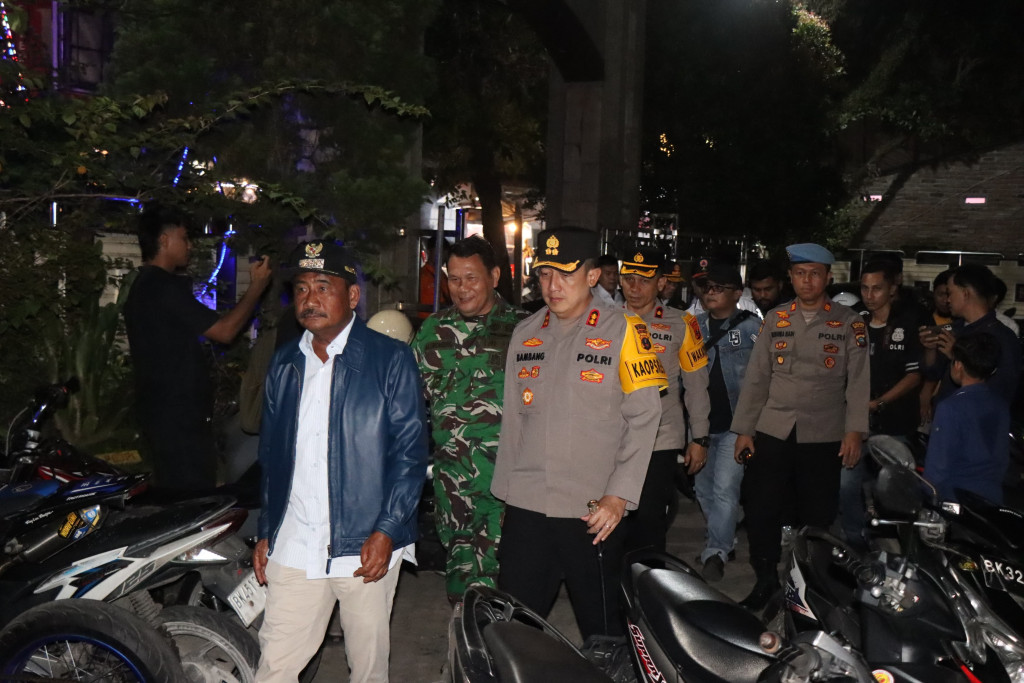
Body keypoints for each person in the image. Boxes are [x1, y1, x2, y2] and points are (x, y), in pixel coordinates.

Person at [253, 240, 428, 683]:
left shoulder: (390, 359)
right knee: (274, 667)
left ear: (352, 296)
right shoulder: (285, 364)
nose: (309, 299)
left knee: (367, 670)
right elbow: (271, 457)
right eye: (301, 288)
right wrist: (267, 529)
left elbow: (410, 453)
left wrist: (388, 529)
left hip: (364, 545)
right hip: (296, 542)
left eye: (322, 287)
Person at [492, 227, 666, 639]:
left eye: (565, 275)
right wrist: (507, 495)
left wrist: (618, 496)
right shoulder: (525, 333)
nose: (553, 286)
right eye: (545, 274)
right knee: (514, 627)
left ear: (592, 276)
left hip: (592, 509)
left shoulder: (625, 330)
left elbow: (645, 416)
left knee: (603, 630)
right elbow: (514, 421)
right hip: (529, 503)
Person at [730, 243, 870, 611]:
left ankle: (811, 584)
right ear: (790, 278)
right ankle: (765, 579)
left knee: (817, 514)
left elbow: (858, 382)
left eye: (815, 274)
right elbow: (757, 377)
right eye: (800, 274)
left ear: (828, 278)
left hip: (823, 432)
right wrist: (744, 429)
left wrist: (855, 431)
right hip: (773, 429)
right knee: (762, 508)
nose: (807, 281)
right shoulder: (775, 319)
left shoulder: (849, 322)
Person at [410, 235, 528, 603]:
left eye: (471, 278)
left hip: (506, 485)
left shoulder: (525, 330)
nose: (462, 289)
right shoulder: (432, 331)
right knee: (461, 583)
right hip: (452, 485)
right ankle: (467, 636)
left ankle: (500, 637)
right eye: (454, 279)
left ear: (495, 276)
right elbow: (409, 399)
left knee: (506, 583)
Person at [123, 204, 272, 492]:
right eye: (184, 238)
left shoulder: (144, 285)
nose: (190, 245)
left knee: (176, 491)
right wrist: (256, 287)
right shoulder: (163, 287)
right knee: (193, 496)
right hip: (177, 418)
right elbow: (225, 332)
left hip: (162, 411)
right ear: (164, 240)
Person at [618, 247, 711, 556]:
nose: (634, 288)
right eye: (628, 279)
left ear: (661, 283)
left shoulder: (683, 323)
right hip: (611, 435)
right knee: (611, 519)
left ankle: (649, 577)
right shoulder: (603, 321)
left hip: (660, 436)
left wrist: (699, 437)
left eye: (644, 281)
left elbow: (696, 385)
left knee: (648, 518)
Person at [839, 260, 922, 548]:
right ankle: (856, 540)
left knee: (893, 490)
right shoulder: (855, 322)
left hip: (896, 422)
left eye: (877, 288)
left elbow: (914, 375)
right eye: (865, 288)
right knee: (846, 483)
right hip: (857, 423)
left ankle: (897, 546)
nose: (869, 295)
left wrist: (879, 402)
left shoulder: (908, 323)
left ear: (892, 289)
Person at [694, 261, 760, 582]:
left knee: (724, 489)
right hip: (702, 426)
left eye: (719, 288)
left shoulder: (752, 328)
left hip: (736, 426)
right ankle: (724, 538)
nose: (711, 293)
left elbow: (764, 376)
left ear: (737, 293)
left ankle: (716, 552)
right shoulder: (694, 327)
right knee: (703, 489)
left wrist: (752, 426)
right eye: (707, 287)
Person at [924, 334, 1009, 504]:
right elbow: (1002, 457)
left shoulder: (950, 407)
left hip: (955, 499)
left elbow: (938, 466)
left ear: (958, 365)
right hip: (991, 497)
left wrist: (927, 495)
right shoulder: (999, 404)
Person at [920, 264, 1021, 408]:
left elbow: (1003, 391)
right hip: (946, 414)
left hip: (973, 418)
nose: (947, 300)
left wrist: (957, 357)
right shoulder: (954, 329)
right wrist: (930, 348)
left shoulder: (1003, 337)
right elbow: (932, 373)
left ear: (965, 293)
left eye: (950, 293)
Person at [419, 235, 451, 319]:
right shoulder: (422, 275)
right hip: (425, 320)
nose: (442, 255)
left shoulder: (443, 275)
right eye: (439, 250)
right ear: (430, 251)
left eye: (444, 252)